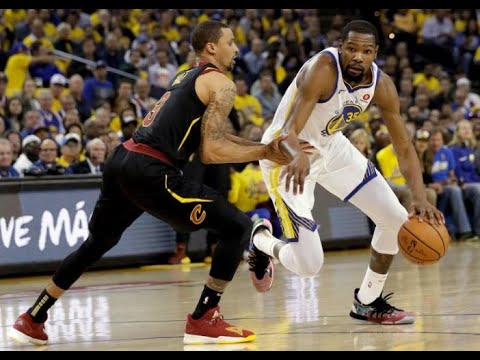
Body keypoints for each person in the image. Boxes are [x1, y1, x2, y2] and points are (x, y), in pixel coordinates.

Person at [8, 20, 289, 346]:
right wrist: (263, 151)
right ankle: (203, 318)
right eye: (230, 41)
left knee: (95, 245)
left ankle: (33, 317)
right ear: (212, 47)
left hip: (122, 159)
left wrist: (264, 149)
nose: (237, 49)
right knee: (237, 227)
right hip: (152, 169)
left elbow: (209, 139)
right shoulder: (222, 84)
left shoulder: (185, 76)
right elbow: (211, 152)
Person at [247, 20, 445, 325]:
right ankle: (261, 239)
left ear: (375, 53)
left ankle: (367, 302)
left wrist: (420, 197)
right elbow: (287, 131)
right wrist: (296, 153)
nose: (357, 56)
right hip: (284, 154)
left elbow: (404, 147)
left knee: (396, 219)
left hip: (330, 147)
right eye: (351, 48)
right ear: (341, 47)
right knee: (309, 264)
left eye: (366, 51)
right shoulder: (323, 69)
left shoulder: (382, 85)